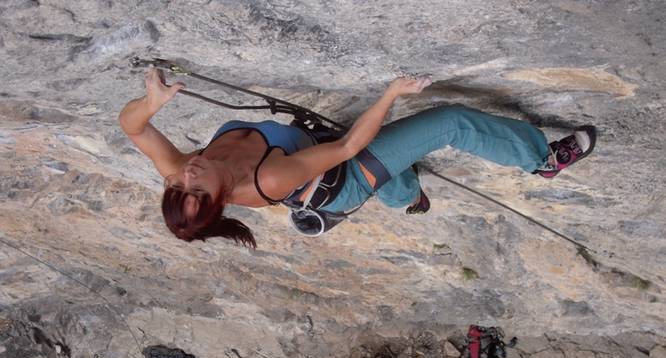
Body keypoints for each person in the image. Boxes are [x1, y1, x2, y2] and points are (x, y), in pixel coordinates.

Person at [119, 68, 596, 247]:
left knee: (397, 172)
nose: (190, 175)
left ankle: (408, 198)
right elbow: (347, 149)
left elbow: (131, 126)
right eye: (197, 191)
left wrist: (152, 104)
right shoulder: (271, 178)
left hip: (323, 164)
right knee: (448, 122)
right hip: (337, 176)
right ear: (220, 199)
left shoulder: (179, 171)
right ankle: (543, 161)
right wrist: (390, 94)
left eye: (179, 186)